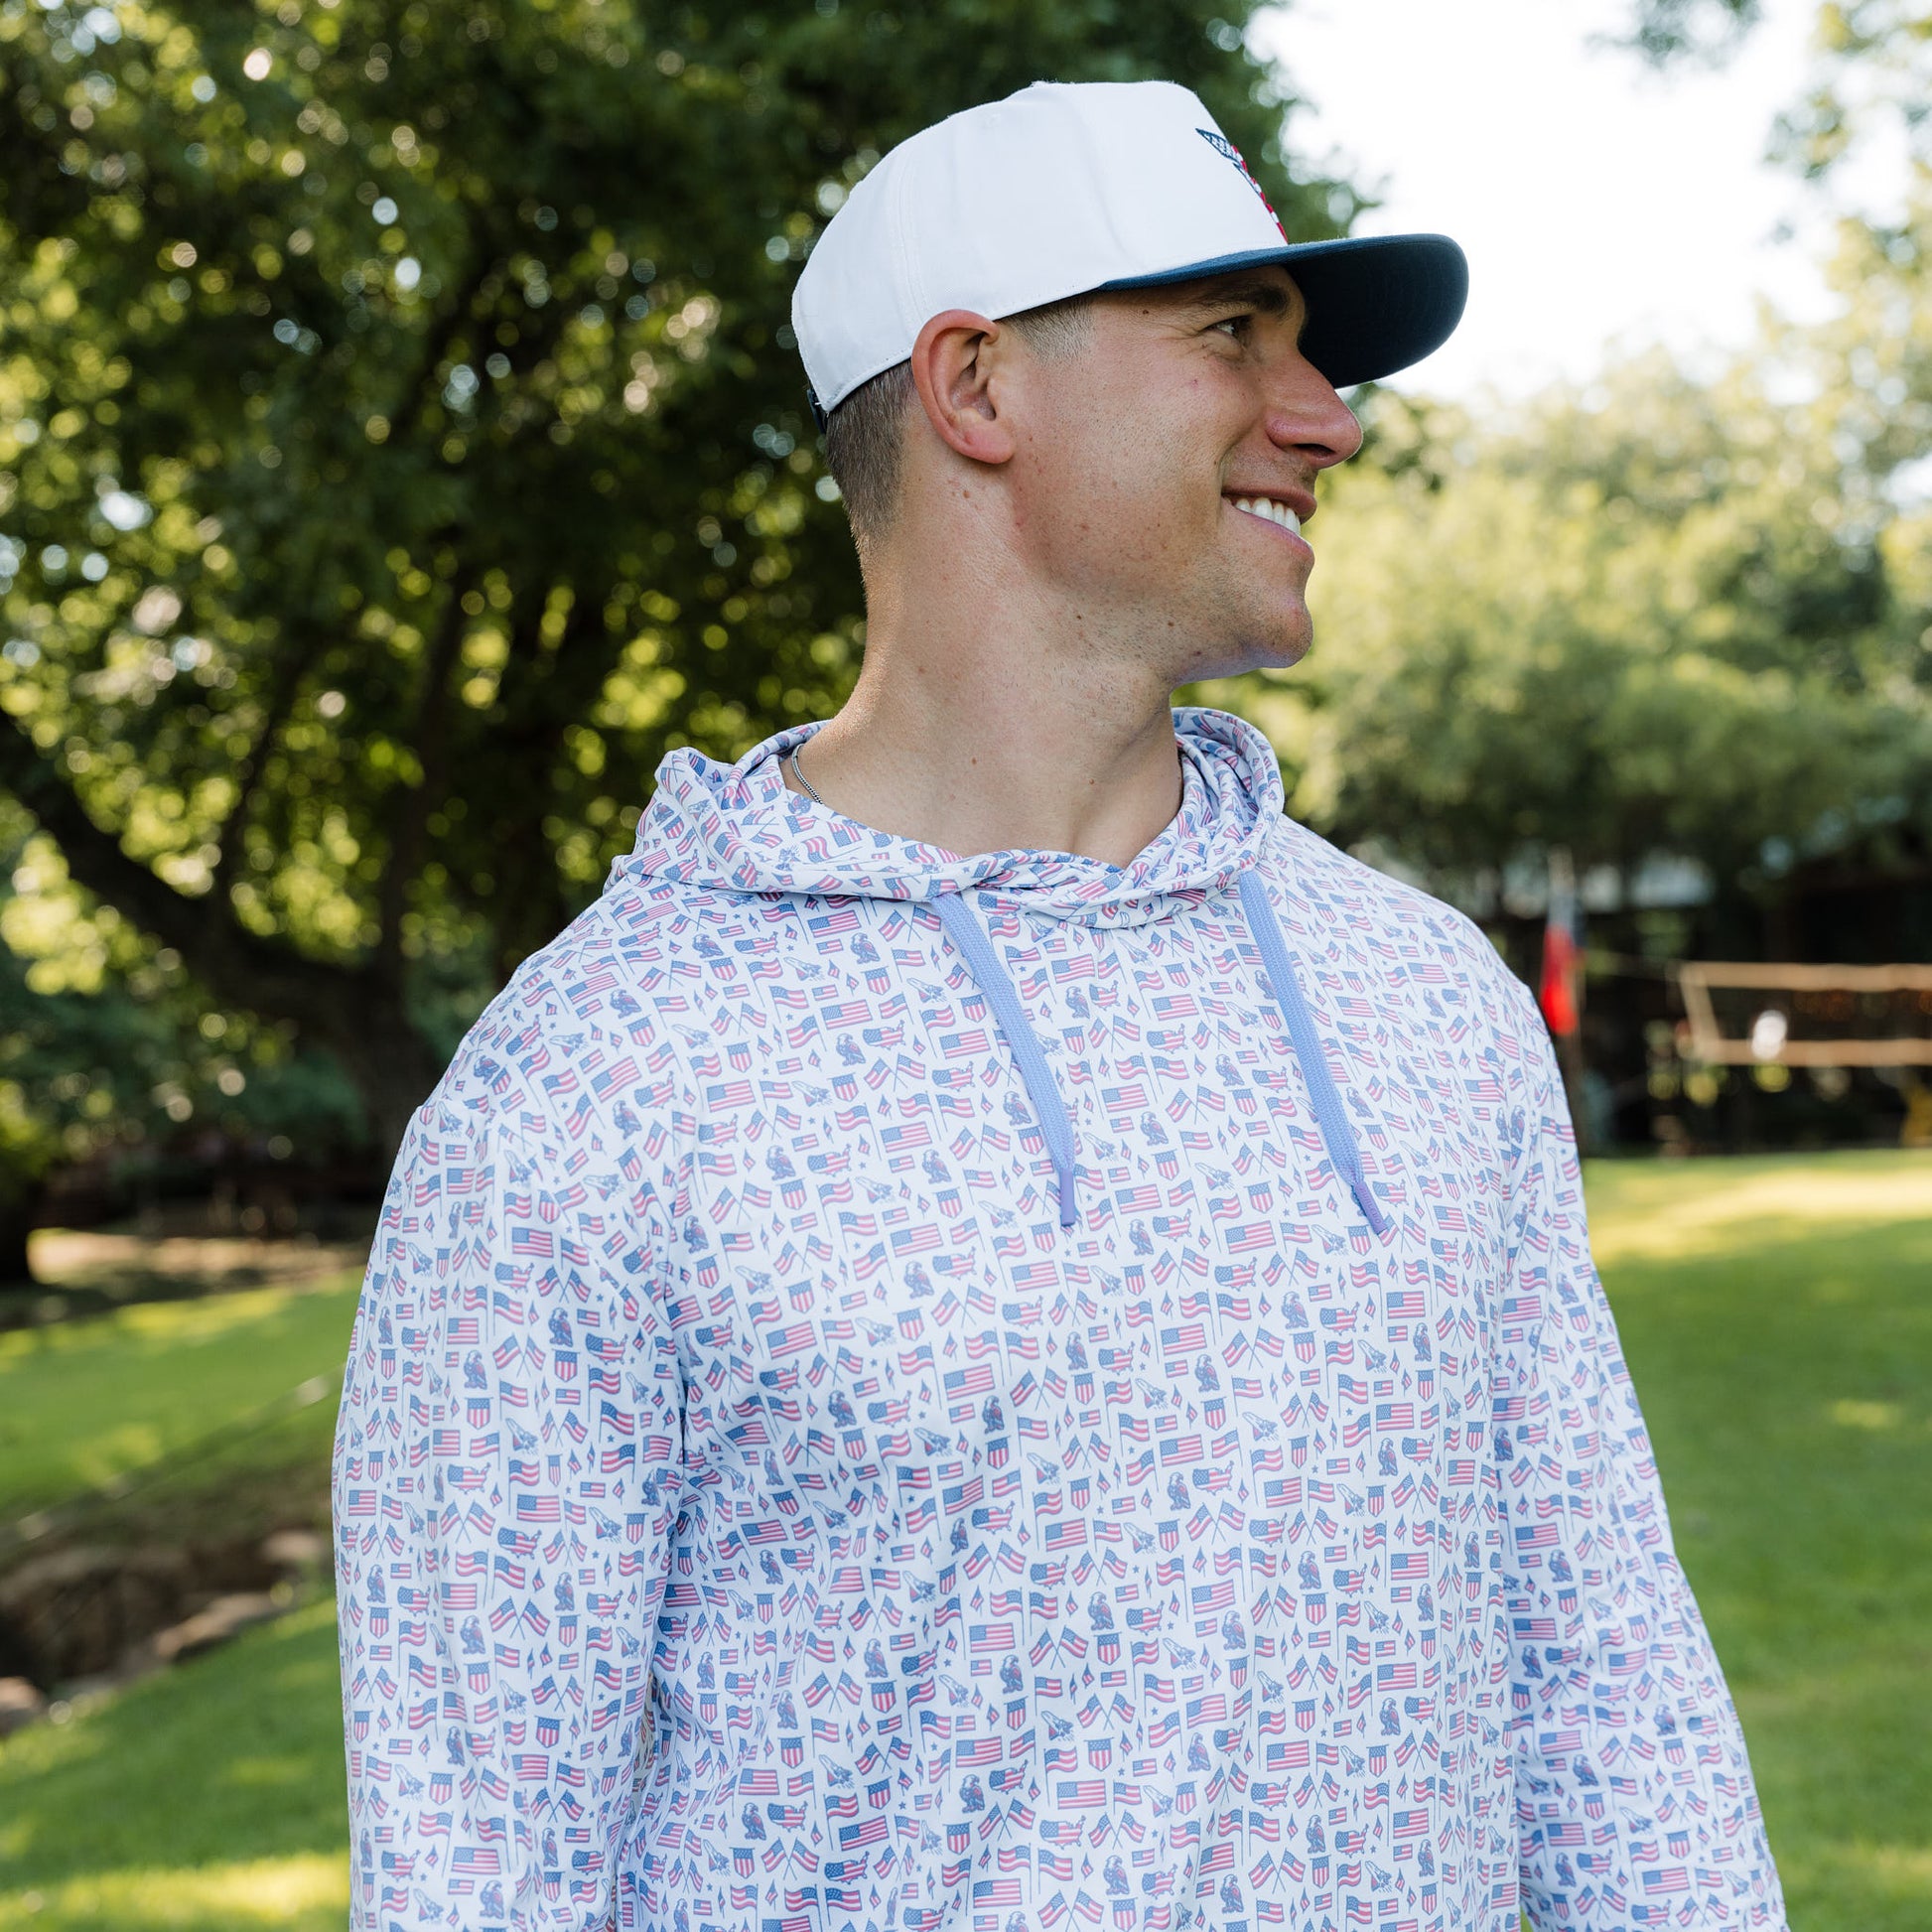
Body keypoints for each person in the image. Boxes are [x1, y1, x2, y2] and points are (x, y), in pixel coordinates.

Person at [334, 79, 1786, 1932]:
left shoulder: (1427, 1000)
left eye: (1312, 353)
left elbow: (1611, 1689)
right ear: (976, 391)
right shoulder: (595, 1090)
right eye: (1230, 337)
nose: (1326, 419)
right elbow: (480, 1868)